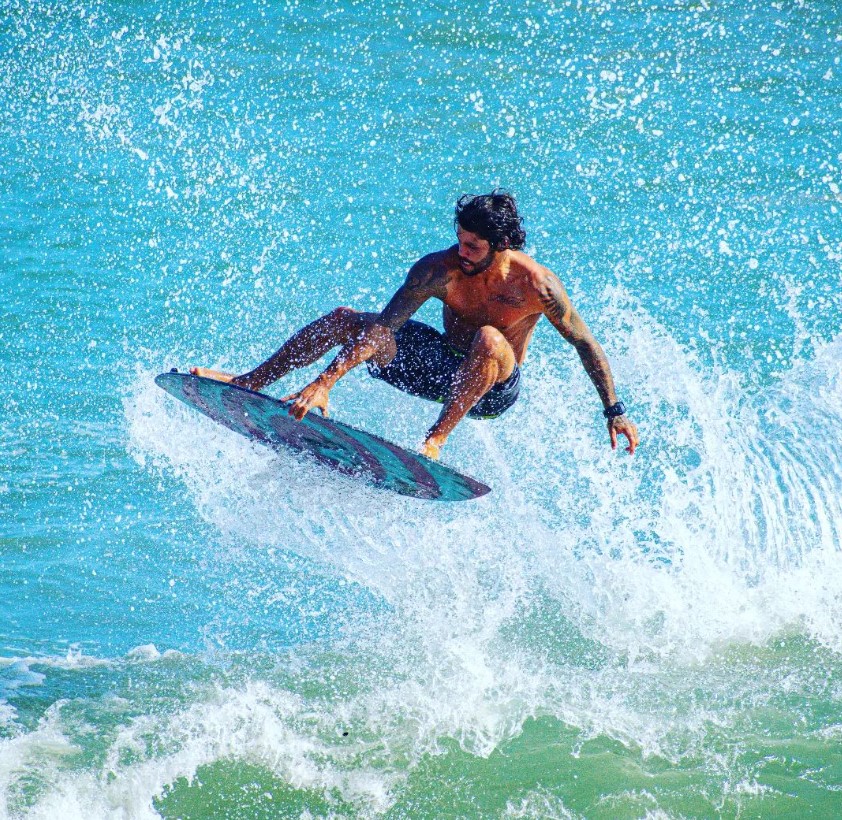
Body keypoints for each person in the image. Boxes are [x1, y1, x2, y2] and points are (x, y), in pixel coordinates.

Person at [191, 191, 639, 460]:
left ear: (501, 245)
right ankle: (249, 380)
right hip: (437, 367)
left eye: (472, 246)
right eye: (460, 239)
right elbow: (384, 331)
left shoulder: (537, 286)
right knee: (347, 320)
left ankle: (433, 443)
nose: (460, 251)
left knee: (488, 338)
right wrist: (328, 380)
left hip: (491, 390)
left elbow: (585, 344)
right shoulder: (438, 270)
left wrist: (614, 410)